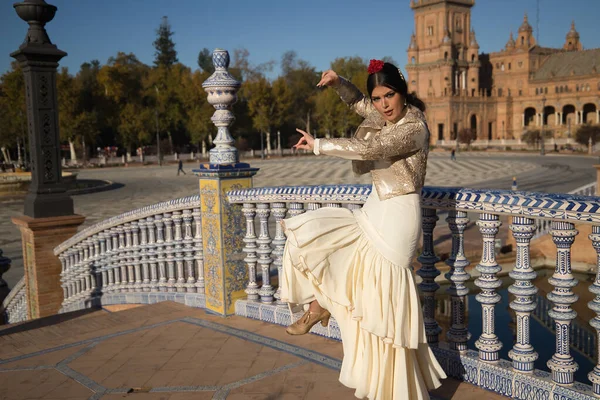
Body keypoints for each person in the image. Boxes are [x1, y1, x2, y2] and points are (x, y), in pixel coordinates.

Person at [280, 60, 446, 400]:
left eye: (389, 96)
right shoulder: (383, 114)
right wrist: (339, 81)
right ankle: (321, 304)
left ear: (403, 93)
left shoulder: (414, 127)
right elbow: (360, 105)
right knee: (323, 241)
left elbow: (371, 149)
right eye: (378, 97)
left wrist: (319, 145)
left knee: (382, 302)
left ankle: (396, 388)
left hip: (399, 215)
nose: (383, 104)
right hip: (375, 206)